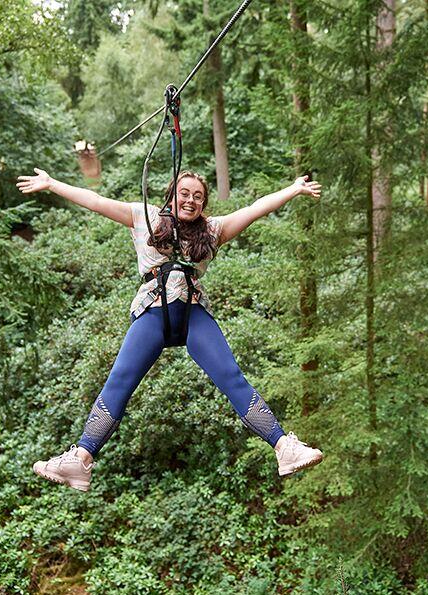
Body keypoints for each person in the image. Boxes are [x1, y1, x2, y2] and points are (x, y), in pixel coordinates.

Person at [16, 167, 324, 492]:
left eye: (198, 196)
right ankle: (80, 460)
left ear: (204, 203)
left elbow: (254, 209)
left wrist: (292, 190)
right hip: (153, 311)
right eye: (184, 193)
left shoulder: (213, 229)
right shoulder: (145, 217)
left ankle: (283, 448)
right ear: (172, 195)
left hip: (192, 314)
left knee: (232, 377)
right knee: (119, 381)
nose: (190, 200)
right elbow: (95, 201)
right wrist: (52, 184)